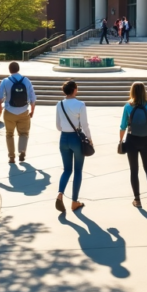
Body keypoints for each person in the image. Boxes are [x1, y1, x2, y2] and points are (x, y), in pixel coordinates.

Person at [119, 82, 147, 209]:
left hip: (132, 140)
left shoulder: (127, 106)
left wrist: (121, 141)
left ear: (132, 92)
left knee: (134, 170)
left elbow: (123, 126)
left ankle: (137, 200)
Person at [55, 80, 91, 212]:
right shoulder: (80, 104)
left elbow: (58, 126)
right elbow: (85, 125)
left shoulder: (59, 104)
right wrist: (90, 139)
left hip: (63, 138)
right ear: (75, 90)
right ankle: (74, 202)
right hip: (76, 139)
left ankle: (60, 194)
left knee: (66, 170)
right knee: (78, 171)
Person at [0, 61, 37, 164]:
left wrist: (0, 108)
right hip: (24, 111)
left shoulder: (5, 81)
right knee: (24, 133)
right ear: (18, 69)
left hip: (9, 112)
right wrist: (32, 110)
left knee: (9, 134)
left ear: (9, 70)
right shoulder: (26, 80)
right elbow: (32, 97)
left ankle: (11, 157)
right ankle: (22, 151)